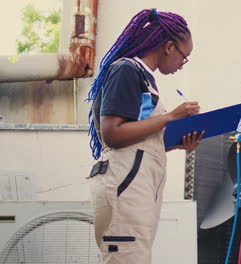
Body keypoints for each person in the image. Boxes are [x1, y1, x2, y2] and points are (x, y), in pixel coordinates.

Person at [86, 8, 204, 264]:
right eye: (184, 57)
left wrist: (176, 143)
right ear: (169, 46)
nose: (182, 65)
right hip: (125, 184)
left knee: (135, 256)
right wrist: (171, 117)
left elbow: (137, 138)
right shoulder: (126, 70)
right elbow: (113, 134)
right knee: (126, 257)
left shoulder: (145, 79)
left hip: (138, 186)